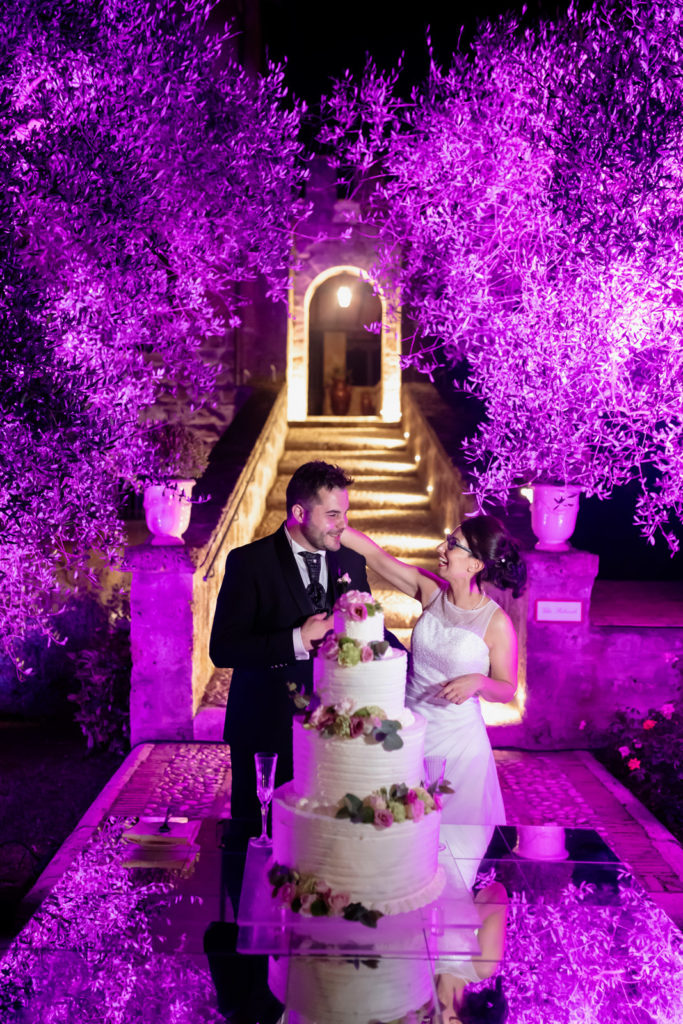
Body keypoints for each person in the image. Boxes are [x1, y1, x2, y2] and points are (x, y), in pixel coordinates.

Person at [209, 461, 379, 825]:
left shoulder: (350, 559)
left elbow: (366, 630)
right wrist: (297, 640)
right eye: (332, 514)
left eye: (345, 513)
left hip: (336, 729)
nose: (343, 524)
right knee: (259, 835)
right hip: (265, 726)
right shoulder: (249, 562)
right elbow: (223, 649)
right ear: (299, 512)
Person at [340, 515, 526, 826]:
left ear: (475, 565)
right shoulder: (430, 592)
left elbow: (506, 687)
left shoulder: (496, 623)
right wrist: (332, 524)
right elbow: (375, 557)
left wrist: (479, 682)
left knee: (452, 838)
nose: (442, 547)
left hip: (460, 748)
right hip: (407, 734)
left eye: (453, 545)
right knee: (400, 832)